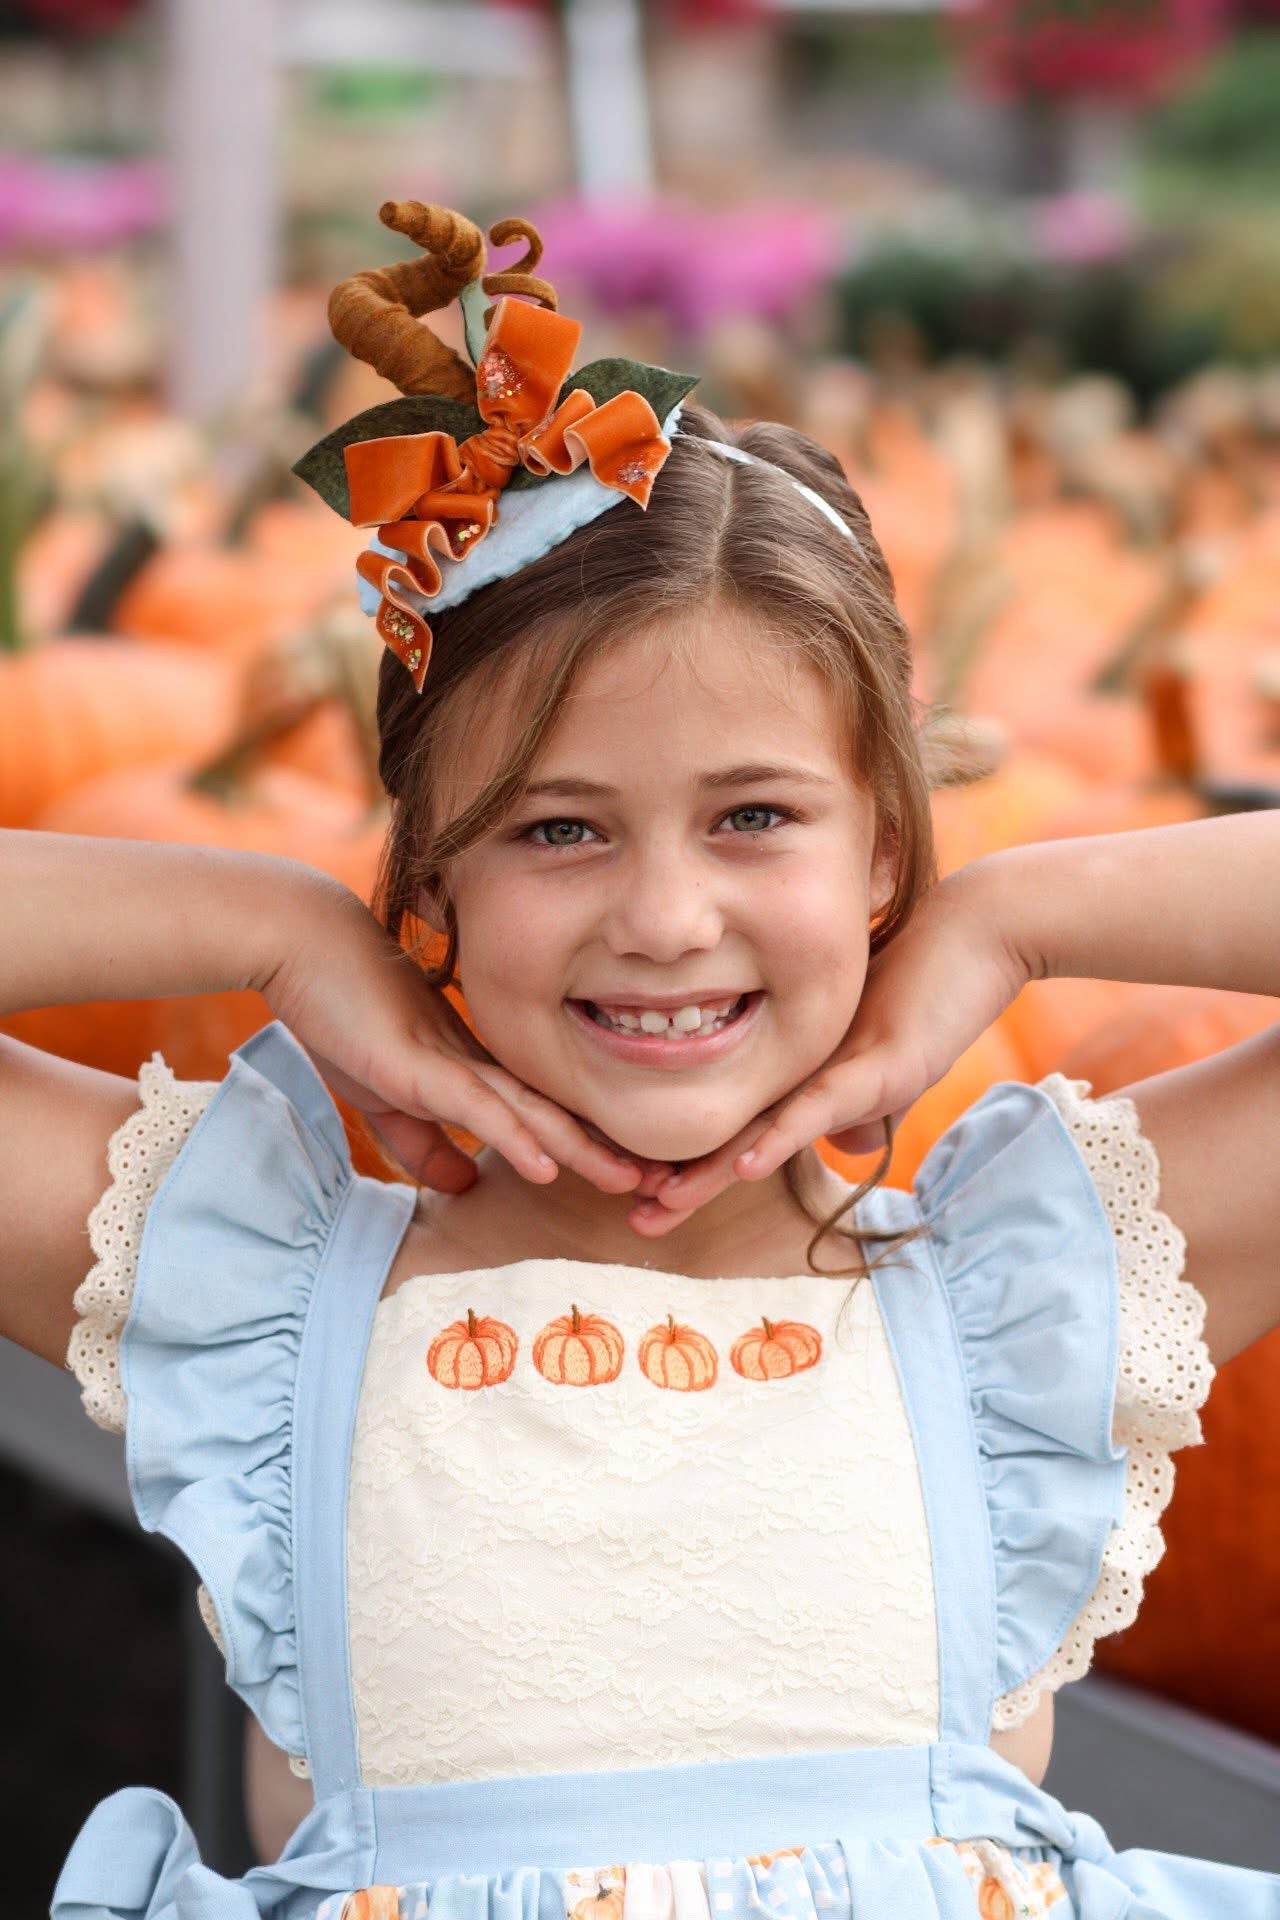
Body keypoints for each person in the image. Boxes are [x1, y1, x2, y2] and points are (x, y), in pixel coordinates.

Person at [3, 200, 1277, 1920]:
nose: (667, 920)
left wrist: (1010, 917)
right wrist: (280, 925)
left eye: (756, 817)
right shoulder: (273, 1307)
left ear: (882, 850)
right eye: (557, 829)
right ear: (430, 882)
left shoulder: (1020, 1304)